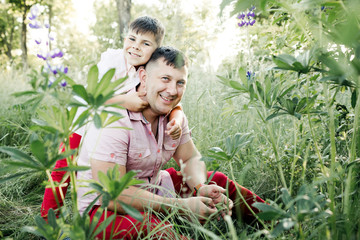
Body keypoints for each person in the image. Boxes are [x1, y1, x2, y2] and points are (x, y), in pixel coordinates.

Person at [76, 46, 266, 239]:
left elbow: (189, 157)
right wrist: (181, 207)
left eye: (180, 82)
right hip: (104, 210)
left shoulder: (173, 116)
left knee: (218, 182)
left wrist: (200, 187)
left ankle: (278, 222)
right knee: (157, 230)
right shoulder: (115, 119)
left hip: (153, 188)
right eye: (165, 79)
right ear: (143, 77)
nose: (173, 91)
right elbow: (112, 195)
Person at [40, 16, 184, 219]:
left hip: (110, 133)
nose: (135, 47)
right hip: (85, 123)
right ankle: (48, 219)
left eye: (145, 43)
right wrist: (126, 101)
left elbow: (174, 102)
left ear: (156, 49)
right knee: (63, 170)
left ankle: (95, 210)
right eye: (132, 39)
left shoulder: (150, 71)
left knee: (98, 175)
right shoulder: (113, 60)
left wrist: (176, 118)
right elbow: (92, 95)